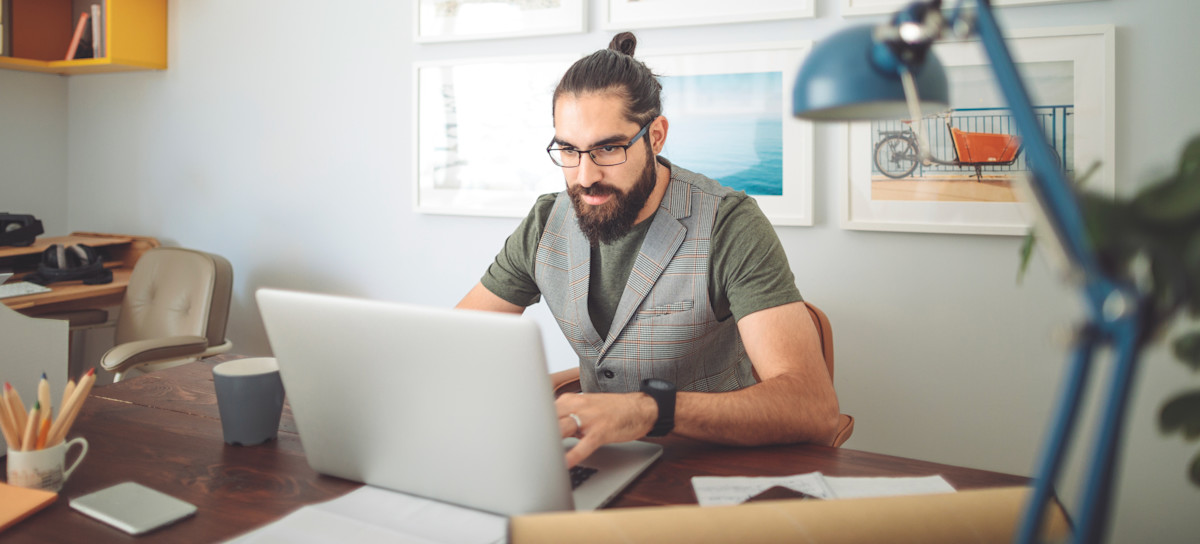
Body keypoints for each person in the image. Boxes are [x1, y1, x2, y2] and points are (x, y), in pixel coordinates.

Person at [457, 32, 839, 468]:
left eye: (609, 148)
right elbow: (454, 344)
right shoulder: (546, 223)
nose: (584, 176)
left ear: (655, 136)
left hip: (710, 465)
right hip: (597, 462)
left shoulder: (730, 224)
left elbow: (812, 407)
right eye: (568, 149)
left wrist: (648, 409)